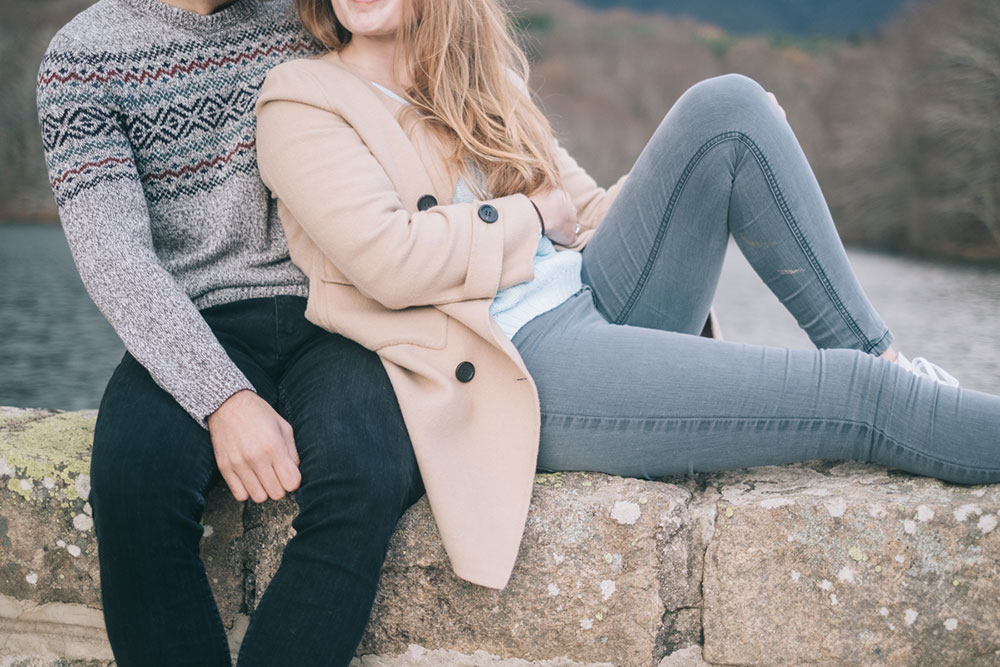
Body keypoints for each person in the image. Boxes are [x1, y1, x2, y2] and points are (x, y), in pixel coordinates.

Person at [255, 0, 1000, 593]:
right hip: (520, 362)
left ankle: (884, 350)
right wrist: (527, 217)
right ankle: (895, 390)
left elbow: (585, 215)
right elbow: (392, 260)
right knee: (858, 399)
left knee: (727, 107)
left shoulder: (485, 82)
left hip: (593, 292)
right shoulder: (304, 100)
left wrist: (702, 160)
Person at [35, 0, 424, 665]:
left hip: (333, 308)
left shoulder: (309, 19)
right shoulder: (82, 56)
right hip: (189, 319)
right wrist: (223, 397)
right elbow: (113, 256)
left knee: (369, 471)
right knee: (132, 484)